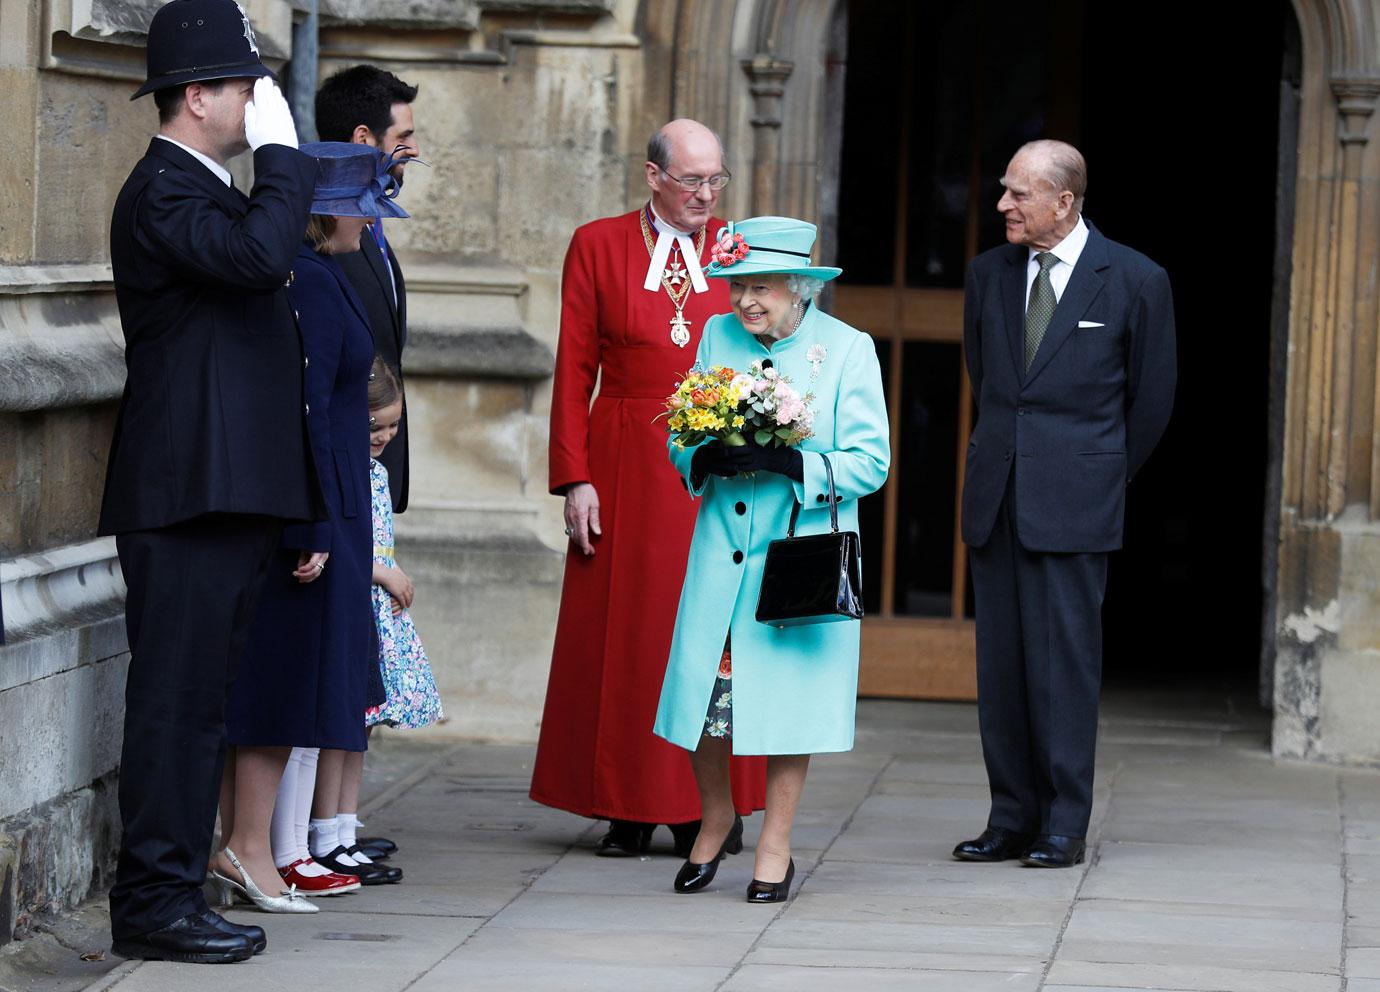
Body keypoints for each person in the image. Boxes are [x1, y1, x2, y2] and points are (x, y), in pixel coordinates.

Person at [100, 0, 317, 964]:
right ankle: (152, 903)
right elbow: (263, 256)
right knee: (175, 708)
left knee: (200, 708)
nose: (258, 99)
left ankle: (175, 891)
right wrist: (283, 163)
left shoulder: (206, 191)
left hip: (223, 491)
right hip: (184, 492)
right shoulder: (165, 193)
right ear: (199, 98)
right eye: (244, 85)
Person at [530, 120, 767, 858]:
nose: (706, 194)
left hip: (716, 464)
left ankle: (708, 807)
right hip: (626, 457)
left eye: (716, 179)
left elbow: (772, 344)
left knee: (711, 635)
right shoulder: (598, 244)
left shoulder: (737, 246)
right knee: (630, 635)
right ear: (653, 176)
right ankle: (626, 804)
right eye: (692, 180)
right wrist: (575, 478)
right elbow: (573, 369)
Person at [953, 140, 1176, 869]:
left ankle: (1062, 824)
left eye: (1018, 194)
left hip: (1077, 502)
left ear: (1064, 202)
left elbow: (1151, 401)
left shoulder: (1136, 279)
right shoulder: (987, 274)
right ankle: (1010, 816)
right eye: (1005, 191)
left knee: (1064, 668)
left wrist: (1099, 473)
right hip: (998, 496)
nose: (1003, 206)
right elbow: (988, 380)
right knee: (1003, 668)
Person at [654, 216, 890, 903]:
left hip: (793, 552)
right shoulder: (714, 338)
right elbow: (679, 432)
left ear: (799, 288)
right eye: (735, 288)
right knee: (705, 697)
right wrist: (702, 453)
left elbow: (871, 462)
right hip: (717, 553)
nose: (743, 303)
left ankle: (776, 844)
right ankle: (717, 812)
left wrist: (793, 462)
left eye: (758, 288)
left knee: (789, 704)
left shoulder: (848, 350)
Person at [220, 142, 410, 907]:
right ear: (331, 211)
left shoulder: (314, 277)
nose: (369, 228)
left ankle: (260, 848)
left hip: (328, 509)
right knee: (287, 689)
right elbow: (308, 415)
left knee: (301, 688)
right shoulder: (317, 283)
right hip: (318, 513)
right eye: (362, 212)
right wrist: (315, 526)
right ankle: (252, 849)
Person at [315, 64, 421, 517]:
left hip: (375, 468)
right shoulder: (329, 236)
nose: (415, 150)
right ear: (364, 139)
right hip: (345, 472)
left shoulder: (371, 222)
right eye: (404, 136)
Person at [365, 358, 444, 731]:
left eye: (394, 425)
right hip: (360, 599)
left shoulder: (378, 474)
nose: (384, 436)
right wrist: (384, 574)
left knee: (371, 718)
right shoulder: (348, 474)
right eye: (374, 427)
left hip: (381, 608)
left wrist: (391, 574)